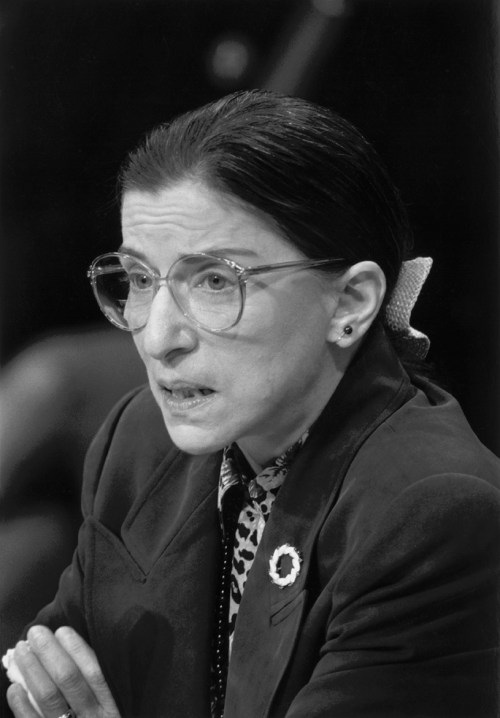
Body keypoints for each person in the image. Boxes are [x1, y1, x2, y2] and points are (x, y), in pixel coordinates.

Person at [2, 90, 499, 718]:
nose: (157, 338)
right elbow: (46, 682)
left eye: (215, 281)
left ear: (349, 303)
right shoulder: (137, 439)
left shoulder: (432, 513)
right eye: (140, 279)